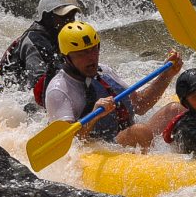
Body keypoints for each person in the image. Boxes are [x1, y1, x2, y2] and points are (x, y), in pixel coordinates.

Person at [44, 20, 183, 149]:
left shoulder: (104, 71)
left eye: (94, 49)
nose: (91, 57)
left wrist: (166, 75)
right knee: (139, 132)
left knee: (175, 110)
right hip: (99, 150)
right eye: (82, 53)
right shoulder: (59, 90)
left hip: (125, 137)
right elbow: (66, 144)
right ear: (67, 58)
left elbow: (140, 105)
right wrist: (94, 115)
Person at [0, 0, 84, 103]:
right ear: (47, 16)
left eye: (72, 17)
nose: (70, 21)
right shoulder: (34, 41)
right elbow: (39, 84)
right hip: (13, 97)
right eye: (64, 17)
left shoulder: (60, 34)